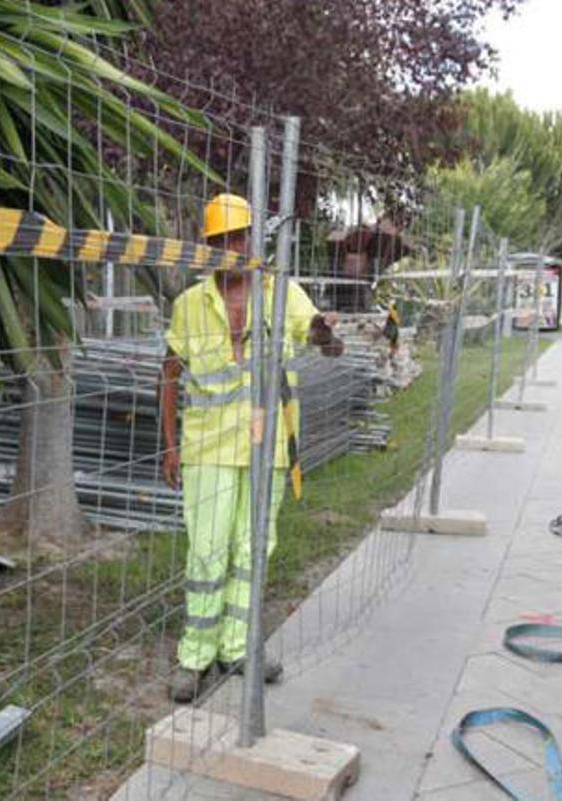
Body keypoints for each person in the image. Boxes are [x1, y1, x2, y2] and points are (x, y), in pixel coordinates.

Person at [160, 193, 342, 703]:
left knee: (253, 551)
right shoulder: (189, 305)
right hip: (206, 448)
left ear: (252, 241)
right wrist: (170, 447)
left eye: (238, 238)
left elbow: (323, 341)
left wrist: (327, 333)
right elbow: (169, 375)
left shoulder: (281, 293)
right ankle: (195, 657)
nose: (231, 248)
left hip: (266, 449)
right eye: (220, 241)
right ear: (209, 245)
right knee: (207, 553)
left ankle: (237, 649)